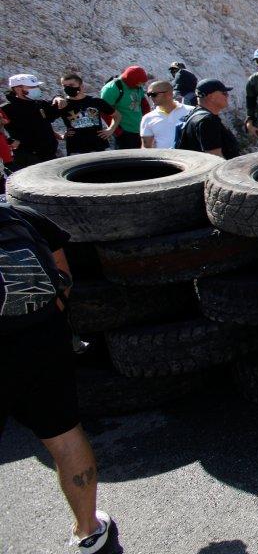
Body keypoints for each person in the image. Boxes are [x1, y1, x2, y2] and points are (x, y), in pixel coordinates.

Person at [0, 203, 115, 553]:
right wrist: (52, 316)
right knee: (64, 436)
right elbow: (61, 270)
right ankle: (89, 531)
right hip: (39, 339)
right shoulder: (19, 216)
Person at [4, 75, 61, 168]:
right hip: (27, 159)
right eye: (32, 87)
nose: (36, 89)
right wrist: (9, 141)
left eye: (36, 86)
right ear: (18, 89)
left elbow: (55, 110)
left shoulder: (39, 104)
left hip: (49, 156)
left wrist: (58, 97)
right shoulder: (7, 109)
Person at [176, 79, 239, 159]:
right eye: (224, 93)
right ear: (211, 97)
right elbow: (215, 157)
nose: (227, 96)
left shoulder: (195, 114)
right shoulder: (207, 121)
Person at [54, 75, 111, 155]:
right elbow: (43, 122)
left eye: (71, 85)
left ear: (81, 86)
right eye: (64, 86)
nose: (67, 88)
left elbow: (117, 115)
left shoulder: (95, 101)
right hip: (76, 150)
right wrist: (61, 136)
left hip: (100, 146)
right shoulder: (62, 104)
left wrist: (110, 130)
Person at [99, 66, 149, 150]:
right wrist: (118, 132)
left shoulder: (137, 86)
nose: (141, 85)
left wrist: (147, 122)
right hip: (124, 132)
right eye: (139, 83)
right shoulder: (112, 89)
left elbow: (144, 104)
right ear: (131, 80)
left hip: (140, 129)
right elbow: (104, 111)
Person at [138, 80, 192, 148]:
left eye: (154, 94)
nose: (151, 97)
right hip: (162, 158)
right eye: (149, 95)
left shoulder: (191, 111)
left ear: (169, 94)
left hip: (189, 157)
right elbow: (146, 147)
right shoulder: (147, 118)